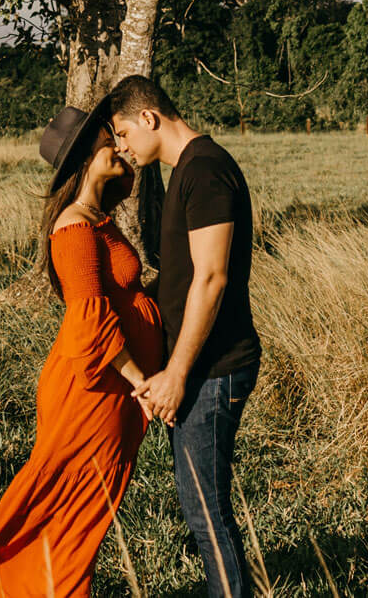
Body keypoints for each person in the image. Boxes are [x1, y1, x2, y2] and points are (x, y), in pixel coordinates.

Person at [0, 101, 163, 598]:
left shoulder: (94, 218)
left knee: (81, 506)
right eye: (112, 139)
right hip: (93, 388)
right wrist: (142, 381)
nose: (121, 145)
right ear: (89, 153)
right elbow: (88, 319)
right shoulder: (74, 227)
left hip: (106, 385)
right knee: (78, 508)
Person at [108, 76, 262, 598]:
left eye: (124, 134)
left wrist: (176, 373)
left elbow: (212, 278)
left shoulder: (207, 170)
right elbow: (182, 276)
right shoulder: (187, 174)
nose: (123, 147)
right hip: (200, 367)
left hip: (215, 368)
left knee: (205, 509)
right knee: (199, 503)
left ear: (149, 118)